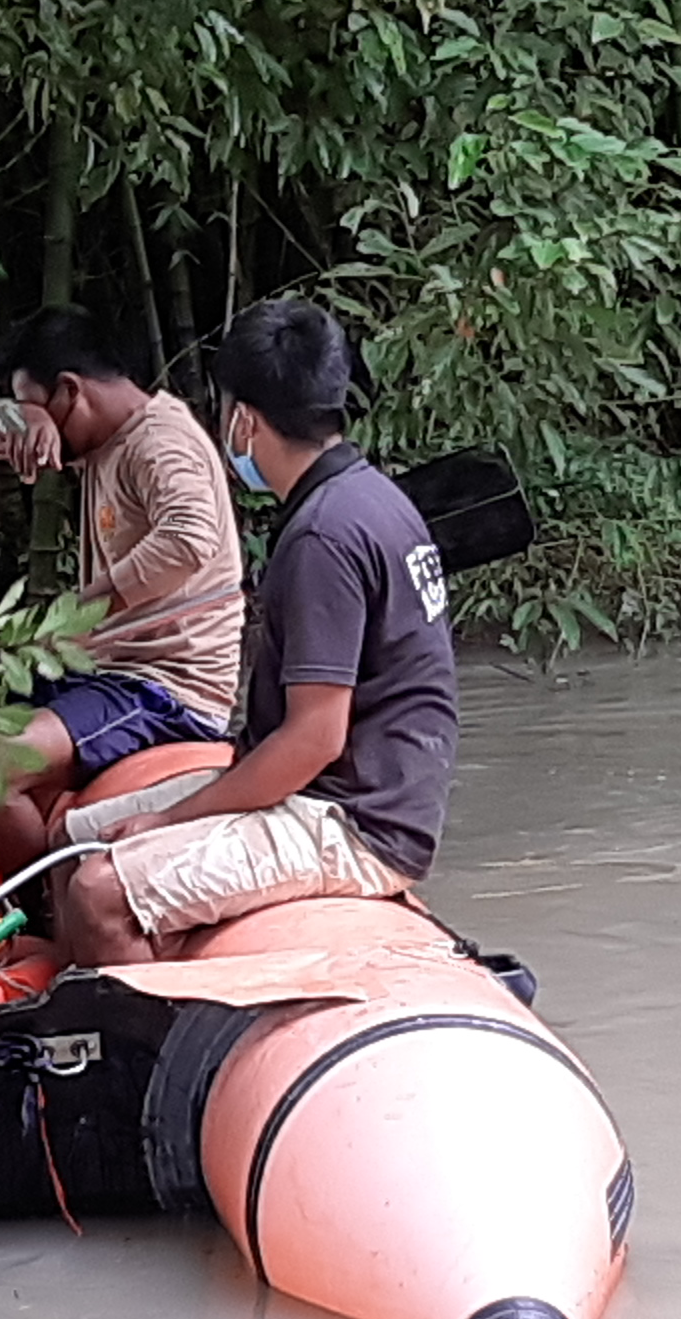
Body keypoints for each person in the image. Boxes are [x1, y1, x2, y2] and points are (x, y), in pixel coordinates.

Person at [47, 301, 458, 966]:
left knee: (99, 891)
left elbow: (313, 740)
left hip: (353, 819)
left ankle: (152, 1060)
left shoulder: (324, 536)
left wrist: (166, 822)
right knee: (74, 837)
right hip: (337, 788)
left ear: (242, 419)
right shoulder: (373, 498)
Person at [0, 307, 246, 871]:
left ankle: (35, 912)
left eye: (37, 404)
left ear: (71, 391)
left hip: (165, 688)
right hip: (106, 671)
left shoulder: (160, 441)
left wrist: (83, 611)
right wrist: (19, 415)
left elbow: (189, 537)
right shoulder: (102, 439)